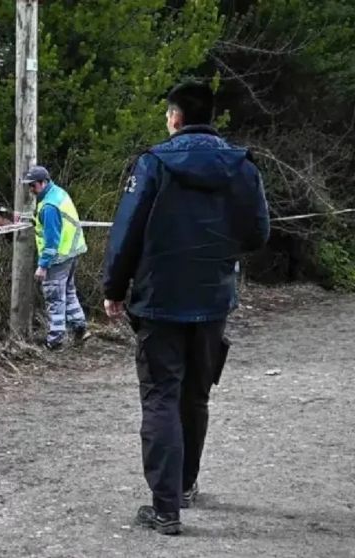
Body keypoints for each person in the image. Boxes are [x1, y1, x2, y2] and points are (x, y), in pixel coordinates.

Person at [102, 81, 270, 535]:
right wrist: (219, 250)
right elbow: (258, 233)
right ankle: (187, 485)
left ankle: (165, 508)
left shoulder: (153, 163)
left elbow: (127, 232)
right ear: (209, 117)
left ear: (174, 117)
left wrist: (113, 287)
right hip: (213, 299)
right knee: (195, 396)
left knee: (160, 398)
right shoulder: (240, 165)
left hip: (159, 301)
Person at [22, 165, 90, 349]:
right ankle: (80, 328)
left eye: (33, 185)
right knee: (68, 291)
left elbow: (51, 240)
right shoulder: (58, 193)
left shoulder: (49, 207)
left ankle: (55, 341)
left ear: (43, 182)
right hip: (72, 252)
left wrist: (43, 265)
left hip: (58, 257)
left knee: (54, 298)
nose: (30, 189)